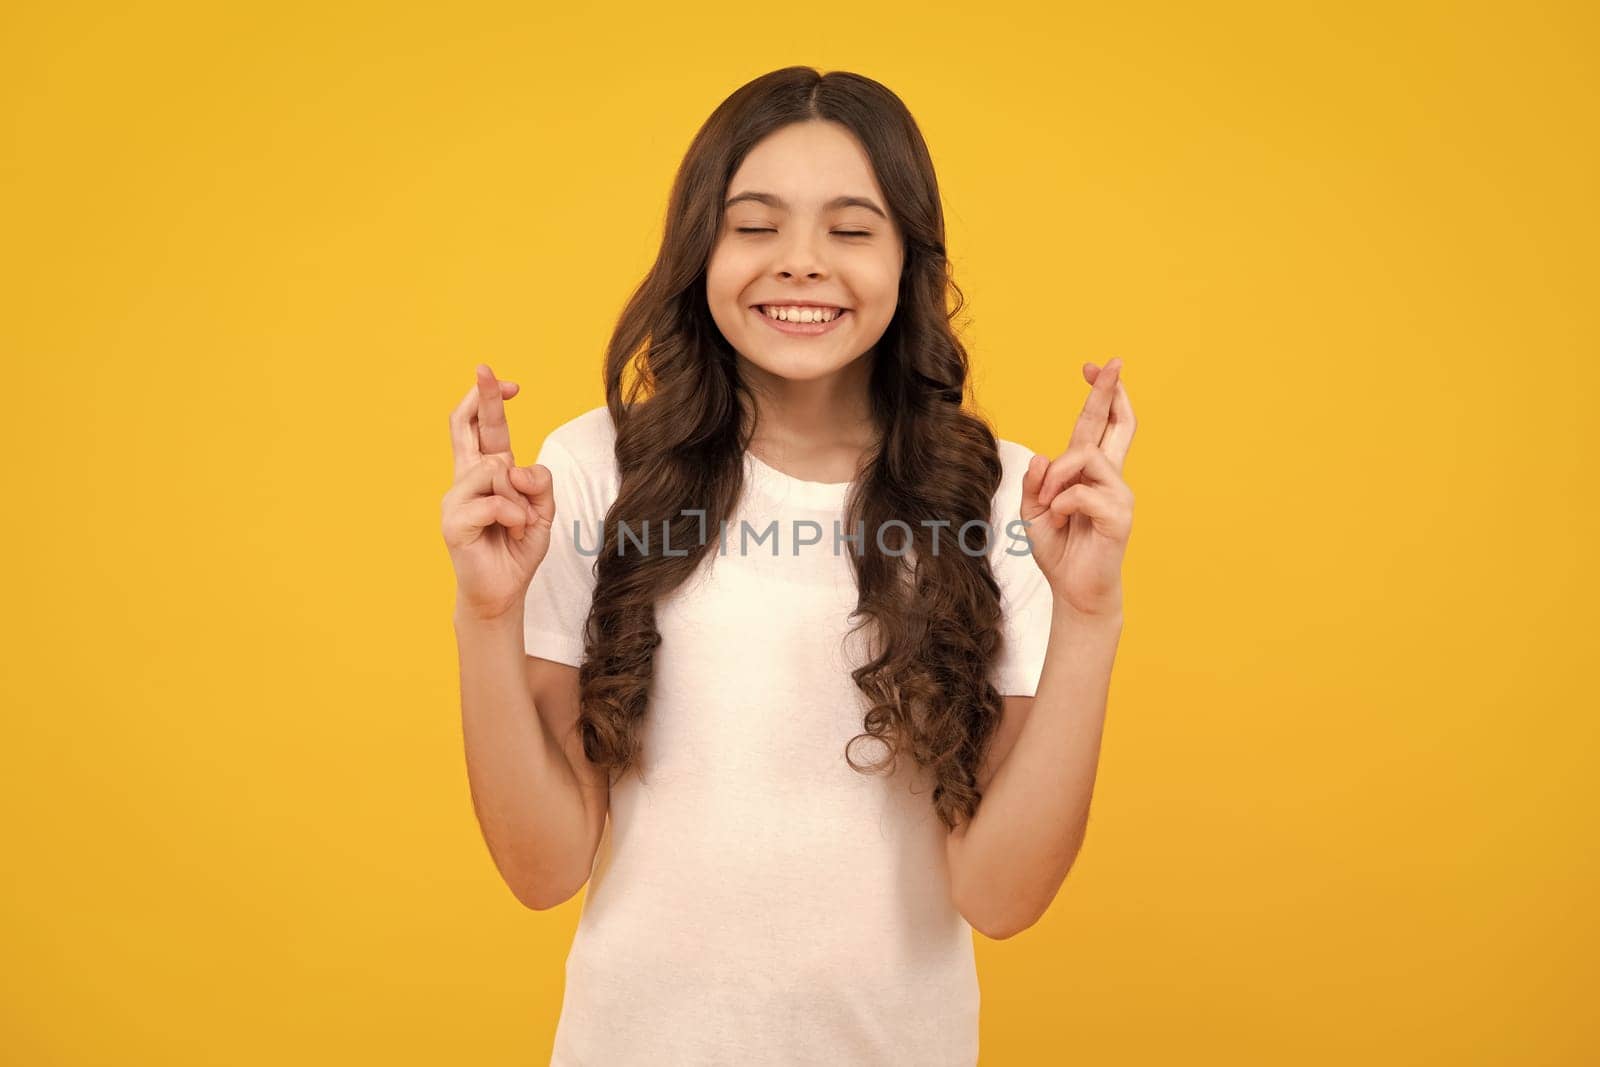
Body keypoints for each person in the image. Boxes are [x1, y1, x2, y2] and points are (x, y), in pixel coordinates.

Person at [441, 66, 1137, 1067]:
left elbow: (1000, 895)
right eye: (755, 226)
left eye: (851, 231)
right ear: (700, 251)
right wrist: (484, 614)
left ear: (909, 261)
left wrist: (1091, 615)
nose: (801, 263)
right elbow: (541, 866)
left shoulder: (1005, 499)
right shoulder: (596, 468)